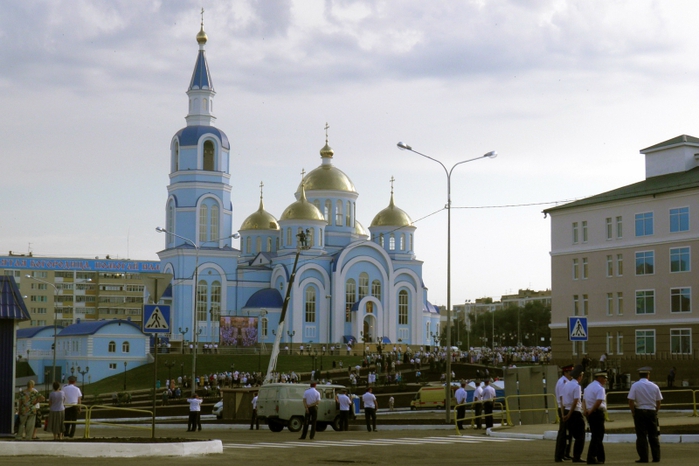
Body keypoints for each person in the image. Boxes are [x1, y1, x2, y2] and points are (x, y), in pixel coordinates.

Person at [628, 366, 662, 463]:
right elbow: (658, 401)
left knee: (641, 436)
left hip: (640, 411)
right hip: (651, 411)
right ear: (648, 375)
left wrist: (633, 412)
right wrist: (656, 411)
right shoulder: (654, 386)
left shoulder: (635, 385)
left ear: (639, 375)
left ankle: (643, 458)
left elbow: (630, 400)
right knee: (653, 435)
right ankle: (656, 457)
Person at [584, 370, 608, 465]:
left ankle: (601, 457)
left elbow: (584, 400)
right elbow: (598, 402)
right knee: (597, 437)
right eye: (605, 378)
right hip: (596, 413)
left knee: (597, 436)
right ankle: (591, 457)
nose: (606, 380)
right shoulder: (599, 388)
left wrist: (586, 411)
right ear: (600, 378)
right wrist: (591, 410)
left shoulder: (588, 387)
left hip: (590, 413)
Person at [562, 365, 585, 463]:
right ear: (579, 376)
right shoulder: (577, 386)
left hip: (566, 410)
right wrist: (570, 414)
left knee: (573, 435)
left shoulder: (566, 385)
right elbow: (576, 401)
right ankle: (577, 456)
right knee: (580, 436)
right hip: (574, 412)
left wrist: (564, 414)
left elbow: (562, 400)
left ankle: (573, 455)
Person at [555, 364, 574, 462]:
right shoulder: (563, 382)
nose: (572, 374)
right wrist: (563, 414)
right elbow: (562, 399)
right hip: (563, 408)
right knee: (563, 433)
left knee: (568, 433)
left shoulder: (567, 382)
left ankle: (566, 453)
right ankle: (559, 455)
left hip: (566, 408)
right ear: (566, 372)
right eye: (570, 372)